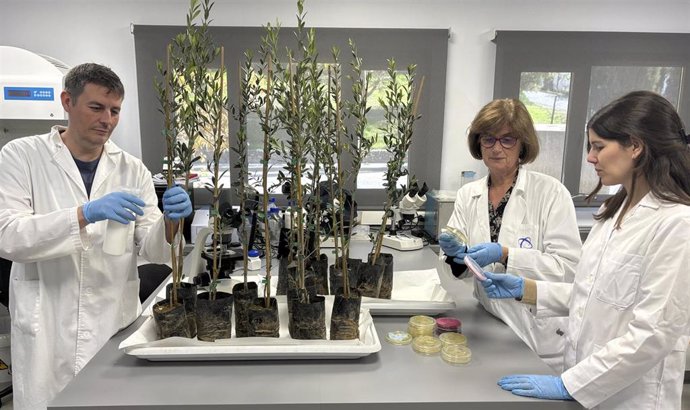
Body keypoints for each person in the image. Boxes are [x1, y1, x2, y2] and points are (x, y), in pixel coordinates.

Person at [480, 91, 690, 409]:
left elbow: (654, 333)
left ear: (636, 146)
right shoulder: (613, 212)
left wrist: (570, 383)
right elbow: (592, 296)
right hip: (586, 379)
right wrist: (528, 289)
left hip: (632, 397)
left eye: (599, 147)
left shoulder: (676, 223)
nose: (591, 157)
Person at [0, 63, 192, 410]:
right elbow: (9, 236)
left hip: (112, 319)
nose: (107, 119)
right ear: (67, 102)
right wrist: (84, 214)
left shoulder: (131, 169)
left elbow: (152, 249)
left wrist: (170, 222)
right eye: (96, 107)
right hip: (48, 324)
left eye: (115, 110)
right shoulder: (21, 156)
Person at [437, 98, 581, 371]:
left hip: (539, 333)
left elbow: (568, 269)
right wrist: (457, 257)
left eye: (507, 140)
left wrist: (506, 254)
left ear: (523, 143)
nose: (496, 148)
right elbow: (458, 267)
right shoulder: (469, 194)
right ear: (478, 144)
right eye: (488, 139)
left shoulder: (550, 193)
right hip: (489, 322)